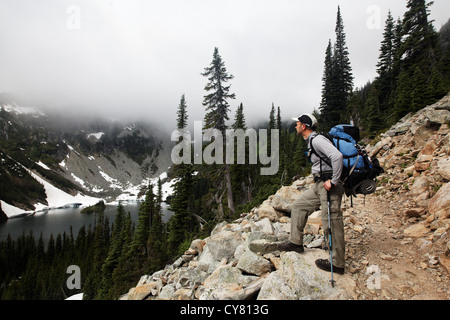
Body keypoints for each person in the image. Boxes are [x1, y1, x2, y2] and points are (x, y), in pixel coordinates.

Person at [278, 113, 345, 275]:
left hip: (329, 185)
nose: (295, 126)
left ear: (305, 126)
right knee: (299, 206)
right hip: (320, 184)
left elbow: (337, 156)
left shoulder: (317, 140)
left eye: (298, 123)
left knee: (331, 220)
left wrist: (334, 181)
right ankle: (296, 242)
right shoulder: (312, 141)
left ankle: (337, 263)